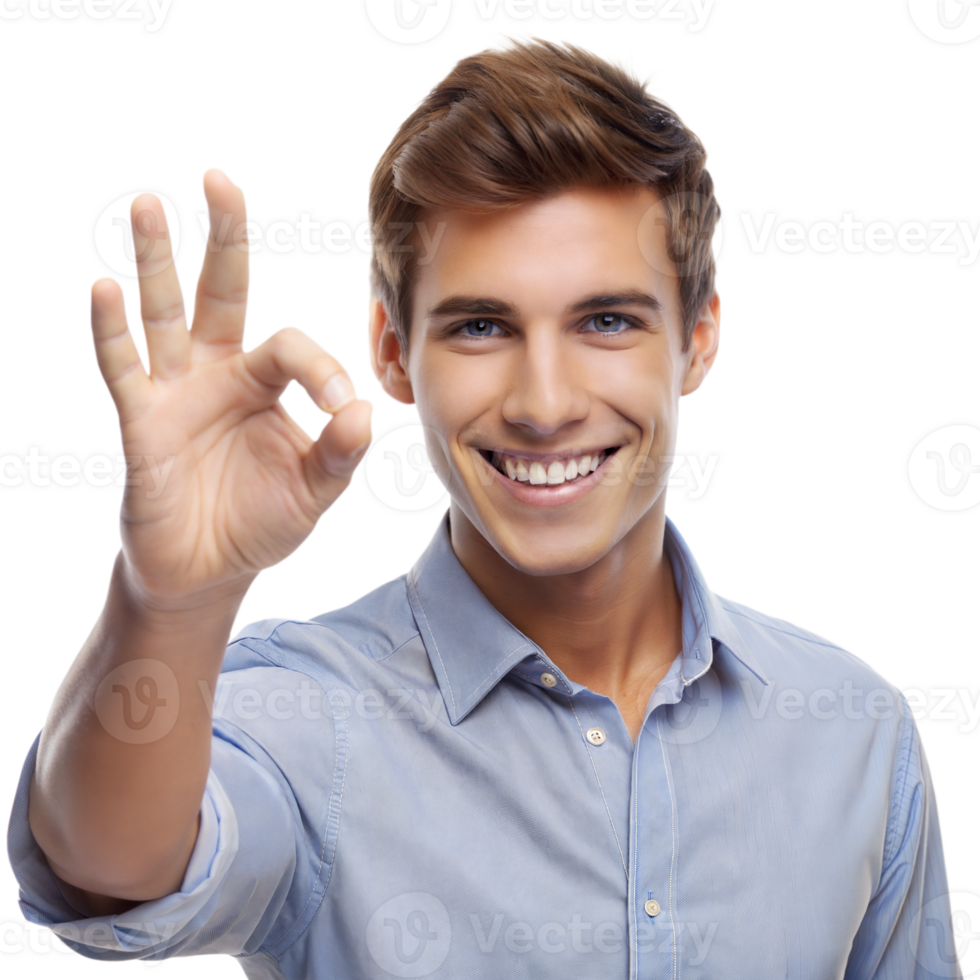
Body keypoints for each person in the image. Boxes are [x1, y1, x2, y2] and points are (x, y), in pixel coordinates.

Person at [8, 29, 961, 979]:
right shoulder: (309, 711)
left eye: (606, 321)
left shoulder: (851, 729)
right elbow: (109, 871)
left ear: (697, 340)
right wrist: (168, 600)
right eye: (479, 326)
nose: (544, 404)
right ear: (392, 355)